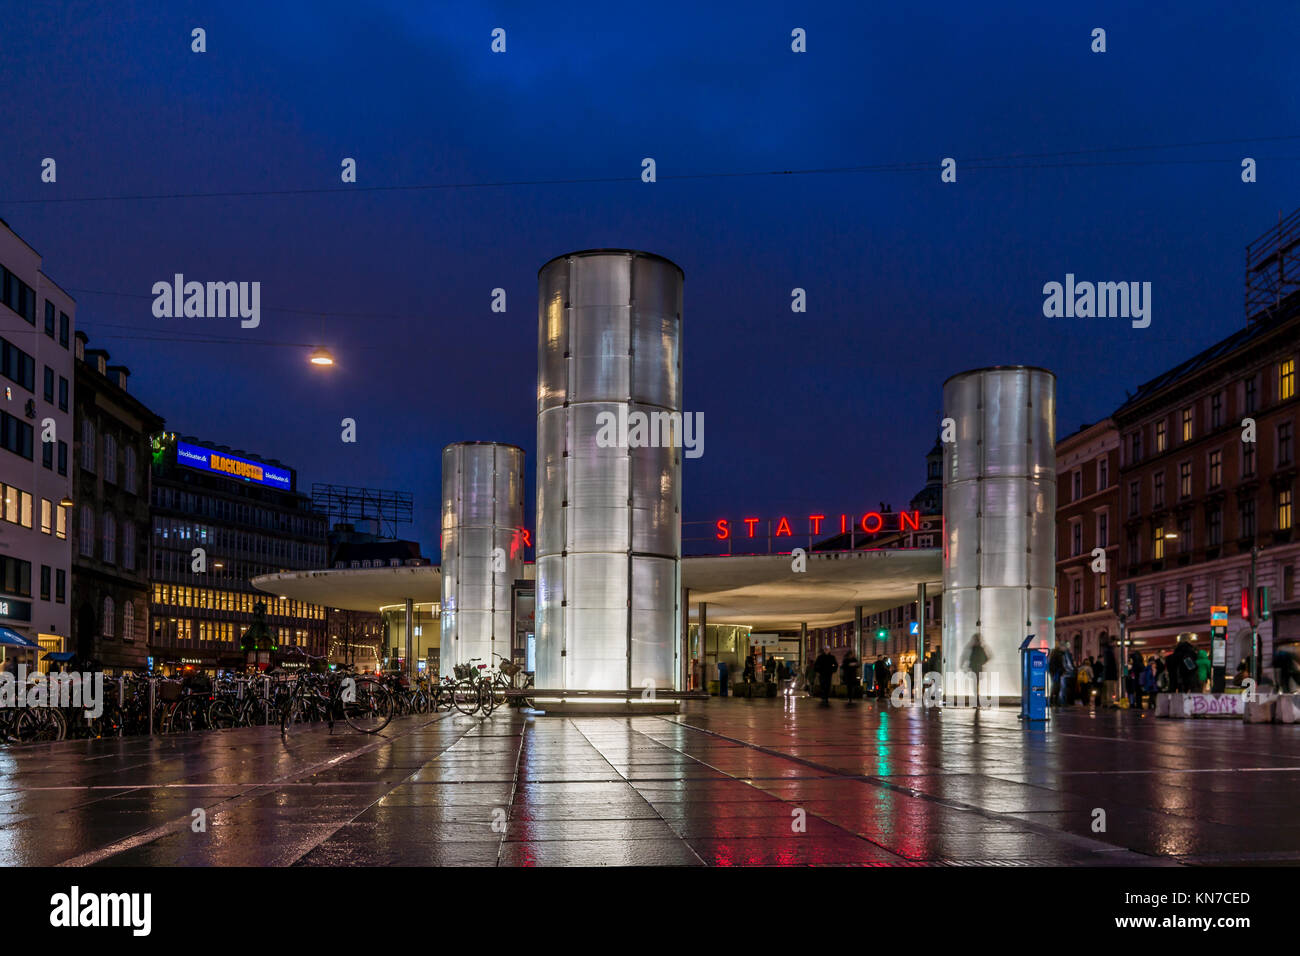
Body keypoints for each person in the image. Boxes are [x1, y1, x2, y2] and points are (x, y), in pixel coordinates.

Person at [967, 635, 988, 708]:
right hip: (978, 669)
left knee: (975, 686)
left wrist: (970, 666)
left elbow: (971, 658)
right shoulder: (981, 649)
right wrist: (980, 663)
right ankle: (977, 701)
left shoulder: (974, 649)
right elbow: (986, 658)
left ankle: (977, 701)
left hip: (975, 669)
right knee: (976, 686)